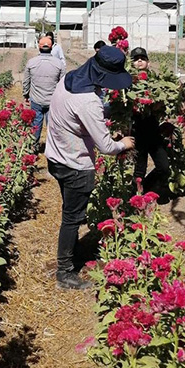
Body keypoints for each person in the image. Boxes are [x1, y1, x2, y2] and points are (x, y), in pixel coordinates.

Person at [45, 45, 136, 289]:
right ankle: (65, 272)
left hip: (56, 157)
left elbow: (78, 115)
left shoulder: (69, 79)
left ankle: (71, 252)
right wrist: (123, 143)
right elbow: (106, 146)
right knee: (72, 219)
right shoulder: (88, 102)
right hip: (76, 165)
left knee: (69, 211)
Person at [129, 47, 170, 196]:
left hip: (153, 130)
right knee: (139, 168)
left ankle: (145, 189)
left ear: (148, 63)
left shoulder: (156, 83)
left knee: (164, 167)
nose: (139, 61)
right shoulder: (127, 83)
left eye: (143, 58)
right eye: (135, 59)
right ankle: (135, 198)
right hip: (136, 130)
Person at [23, 36, 66, 144]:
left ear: (39, 47)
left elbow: (26, 82)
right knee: (52, 127)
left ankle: (33, 148)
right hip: (52, 101)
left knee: (36, 125)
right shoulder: (59, 64)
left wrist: (25, 95)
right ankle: (53, 150)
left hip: (36, 100)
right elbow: (62, 84)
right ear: (51, 48)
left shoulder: (31, 62)